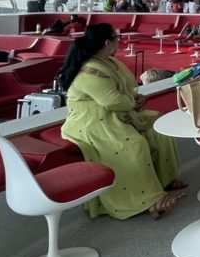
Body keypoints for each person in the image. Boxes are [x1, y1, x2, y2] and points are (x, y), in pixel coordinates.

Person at [58, 24, 185, 220]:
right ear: (108, 43)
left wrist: (138, 99)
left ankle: (164, 179)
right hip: (91, 122)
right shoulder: (88, 70)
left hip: (119, 113)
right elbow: (112, 100)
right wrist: (133, 103)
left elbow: (126, 91)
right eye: (117, 38)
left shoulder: (109, 62)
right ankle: (149, 200)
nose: (120, 41)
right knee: (134, 145)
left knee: (158, 126)